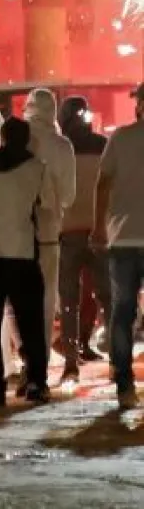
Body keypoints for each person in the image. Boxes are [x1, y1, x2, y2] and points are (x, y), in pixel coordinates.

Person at [0, 116, 54, 408]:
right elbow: (49, 203)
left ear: (1, 138)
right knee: (30, 322)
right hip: (21, 252)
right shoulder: (36, 166)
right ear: (27, 139)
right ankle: (36, 383)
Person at [94, 83, 144, 410]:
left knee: (122, 312)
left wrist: (98, 228)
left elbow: (103, 183)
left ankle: (124, 384)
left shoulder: (120, 138)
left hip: (123, 239)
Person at [19, 89, 75, 376]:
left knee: (18, 301)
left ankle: (25, 359)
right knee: (45, 300)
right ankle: (38, 368)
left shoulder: (13, 138)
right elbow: (68, 196)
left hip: (16, 233)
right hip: (50, 231)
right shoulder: (62, 145)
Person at [56, 95, 109, 380]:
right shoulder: (103, 145)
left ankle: (70, 365)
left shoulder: (61, 148)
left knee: (69, 301)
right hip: (99, 230)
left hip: (68, 231)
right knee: (108, 298)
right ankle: (117, 362)